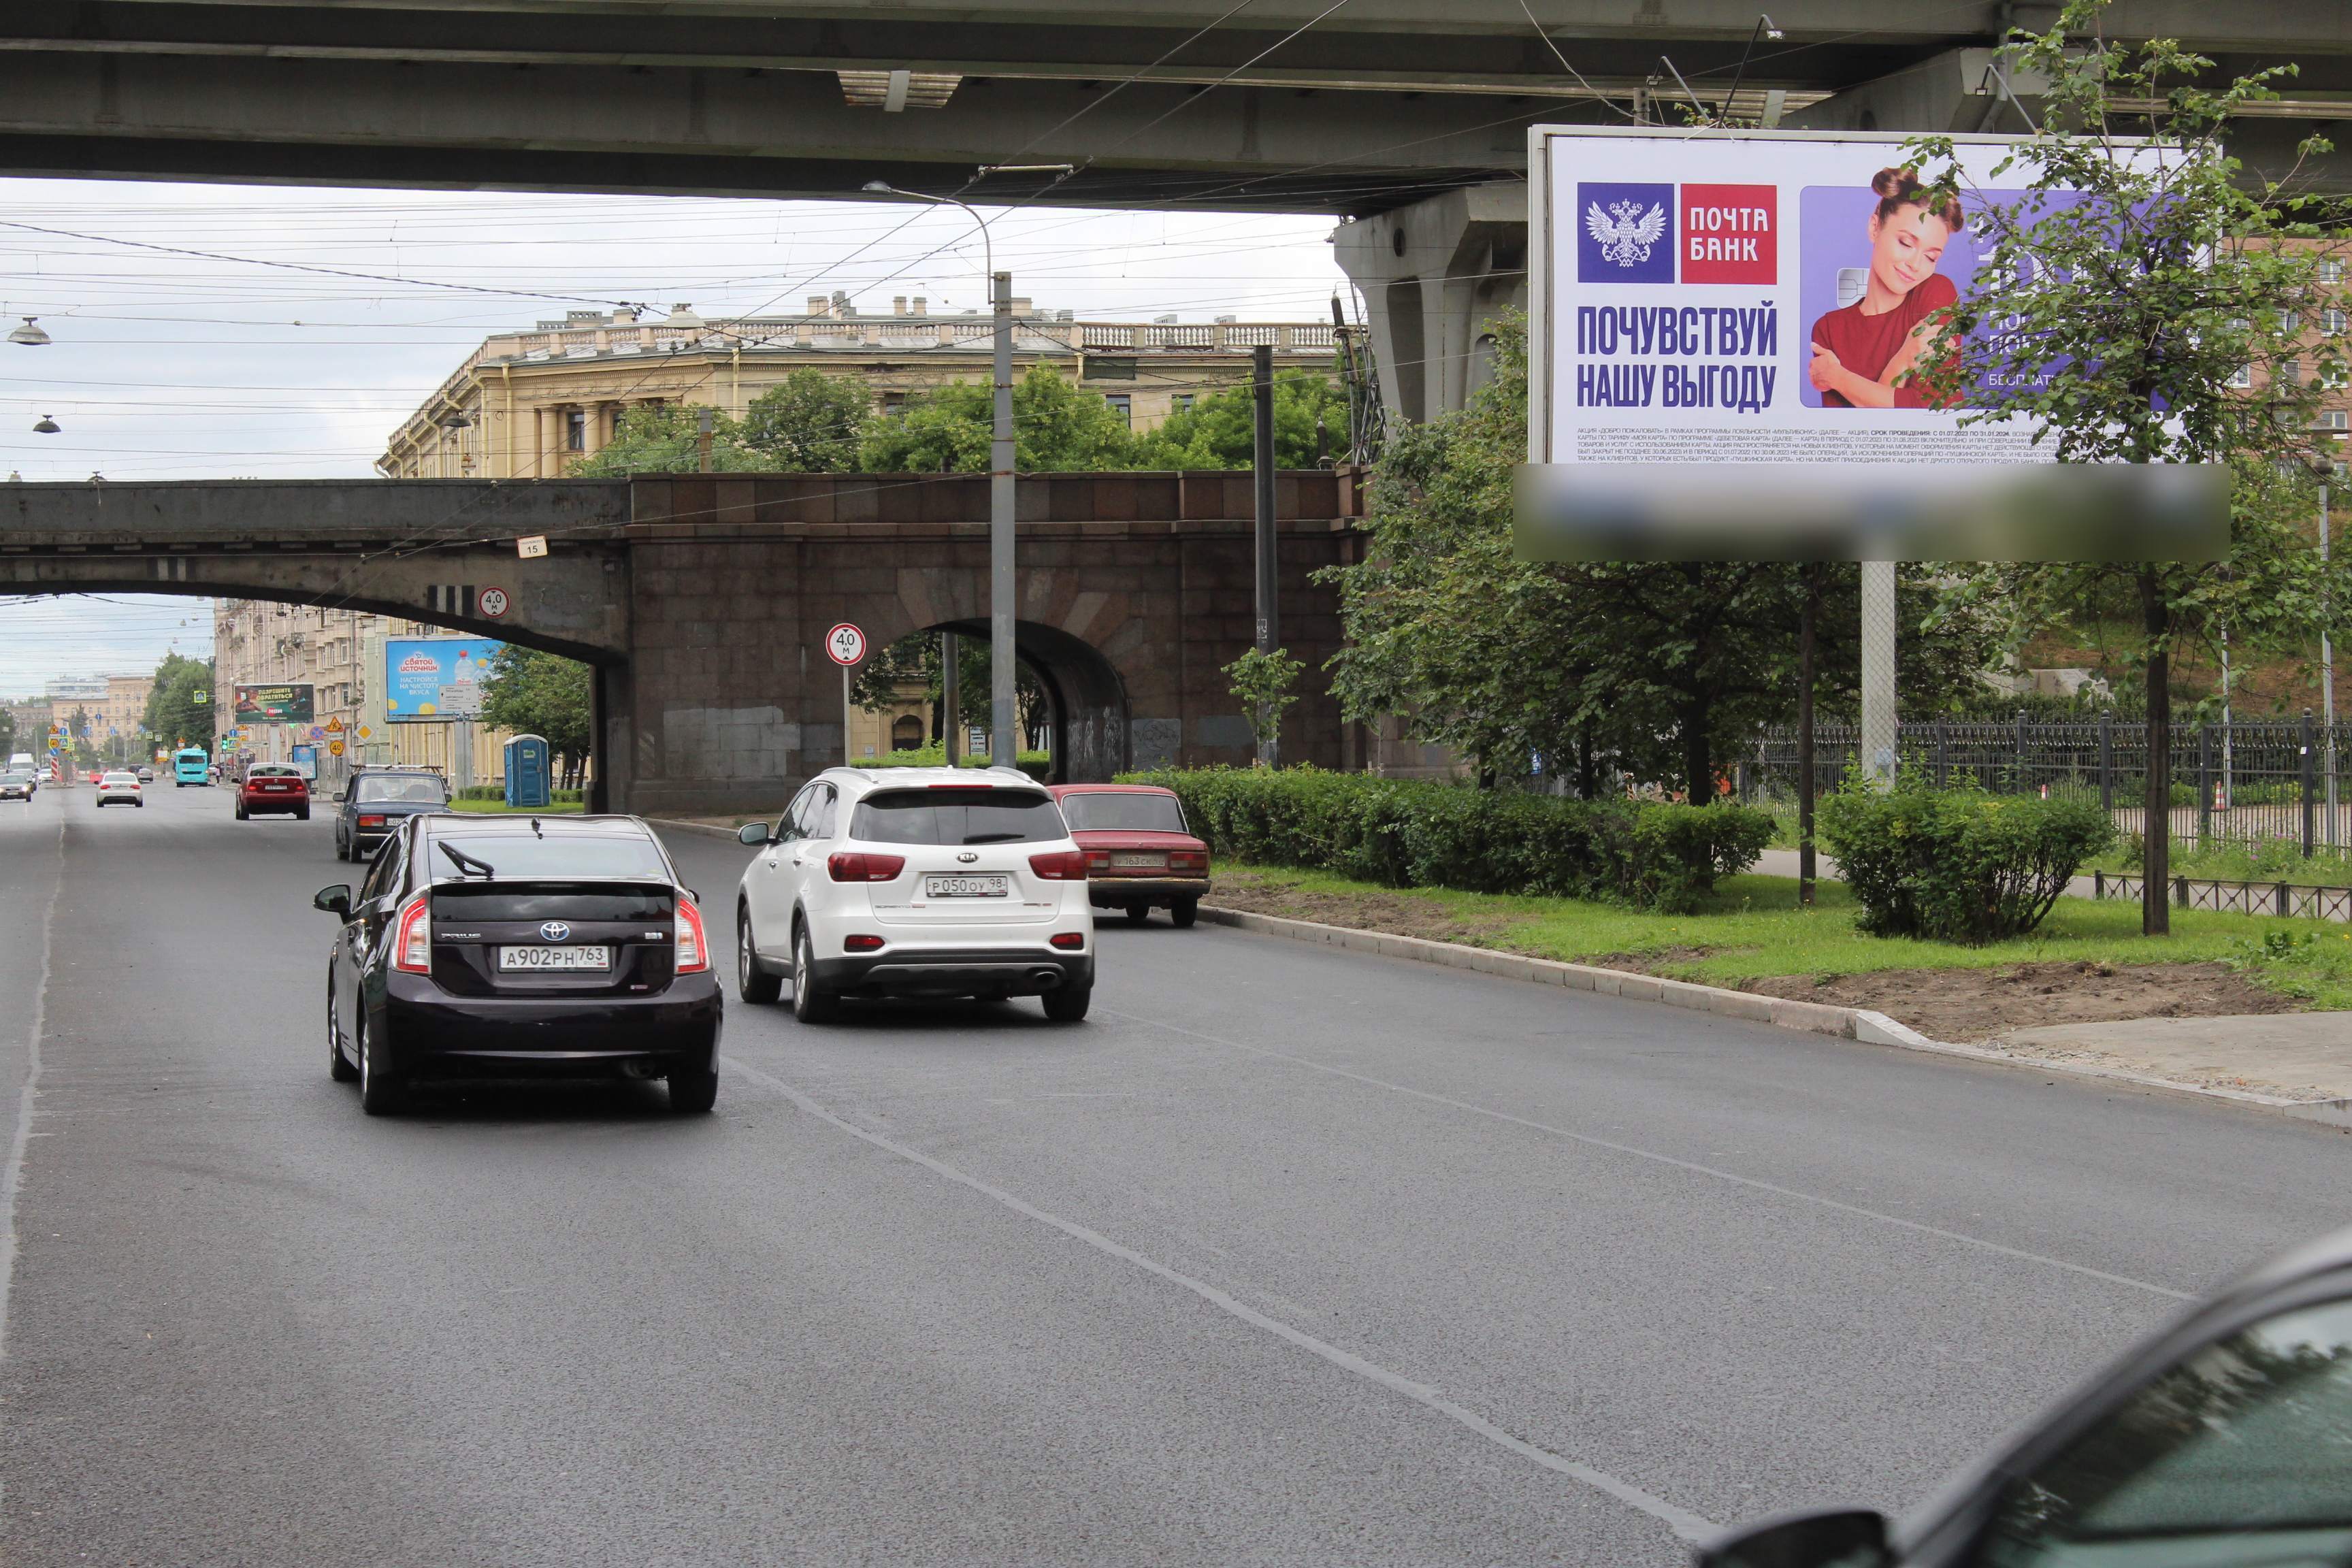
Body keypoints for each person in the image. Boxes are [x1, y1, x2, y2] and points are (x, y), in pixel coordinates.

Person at [1808, 168, 1965, 409]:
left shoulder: (1936, 294)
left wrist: (1838, 378)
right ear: (1875, 227)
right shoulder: (1829, 329)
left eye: (1931, 257)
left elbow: (1931, 411)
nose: (1915, 264)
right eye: (1906, 243)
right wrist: (1902, 361)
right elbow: (1854, 438)